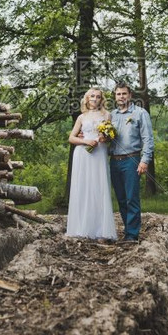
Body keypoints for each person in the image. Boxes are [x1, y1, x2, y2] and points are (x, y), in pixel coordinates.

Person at [65, 88, 118, 240]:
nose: (95, 99)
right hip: (83, 154)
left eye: (98, 97)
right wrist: (85, 141)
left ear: (102, 100)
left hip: (99, 153)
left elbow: (110, 136)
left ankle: (101, 230)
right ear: (87, 99)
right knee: (83, 188)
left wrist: (105, 138)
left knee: (99, 187)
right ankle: (81, 228)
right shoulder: (81, 117)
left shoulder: (107, 115)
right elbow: (71, 138)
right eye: (92, 96)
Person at [109, 83, 154, 243]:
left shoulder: (140, 113)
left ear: (130, 95)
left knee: (131, 198)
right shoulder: (111, 115)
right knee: (121, 198)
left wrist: (144, 161)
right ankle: (128, 229)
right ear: (115, 96)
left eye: (124, 94)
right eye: (118, 94)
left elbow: (148, 139)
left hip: (132, 160)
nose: (121, 97)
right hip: (114, 161)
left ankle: (132, 235)